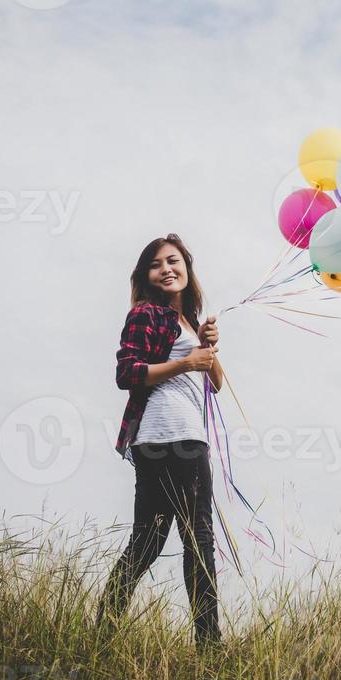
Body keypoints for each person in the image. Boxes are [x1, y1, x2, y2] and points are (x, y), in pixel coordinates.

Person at [97, 232, 224, 652]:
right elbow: (127, 374)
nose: (167, 269)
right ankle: (210, 649)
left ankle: (101, 634)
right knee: (198, 539)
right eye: (156, 264)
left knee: (149, 543)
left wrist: (207, 350)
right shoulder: (146, 314)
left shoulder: (188, 321)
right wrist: (187, 360)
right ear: (147, 276)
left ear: (187, 266)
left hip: (173, 438)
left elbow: (216, 384)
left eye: (173, 260)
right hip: (172, 435)